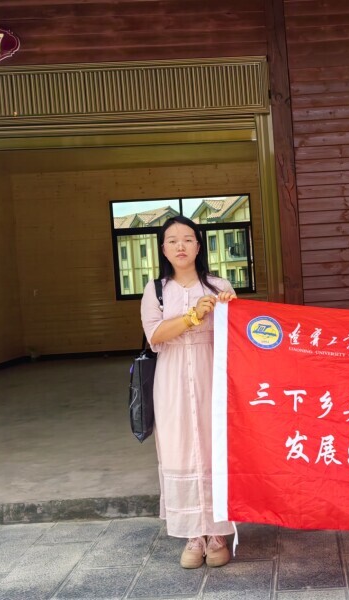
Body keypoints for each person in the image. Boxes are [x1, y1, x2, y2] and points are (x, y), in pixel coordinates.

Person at [141, 216, 237, 569]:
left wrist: (231, 308)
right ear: (163, 249)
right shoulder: (156, 290)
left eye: (187, 239)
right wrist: (192, 317)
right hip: (172, 381)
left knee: (216, 449)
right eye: (172, 240)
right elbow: (155, 336)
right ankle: (193, 536)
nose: (180, 245)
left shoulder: (218, 284)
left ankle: (217, 534)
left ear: (198, 246)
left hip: (213, 375)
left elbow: (239, 334)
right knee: (180, 449)